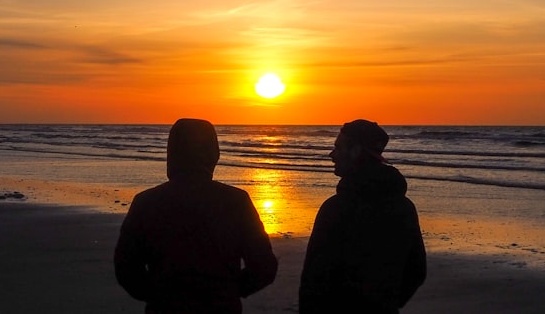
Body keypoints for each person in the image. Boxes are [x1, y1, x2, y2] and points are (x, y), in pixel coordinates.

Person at [114, 118, 278, 314]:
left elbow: (126, 268)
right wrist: (228, 291)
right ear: (213, 155)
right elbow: (264, 266)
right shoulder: (236, 201)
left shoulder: (146, 202)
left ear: (172, 154)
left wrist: (159, 294)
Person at [299, 119, 427, 314]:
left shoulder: (336, 208)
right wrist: (387, 303)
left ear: (356, 151)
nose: (331, 154)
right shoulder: (404, 207)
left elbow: (314, 277)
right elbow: (417, 271)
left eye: (338, 148)